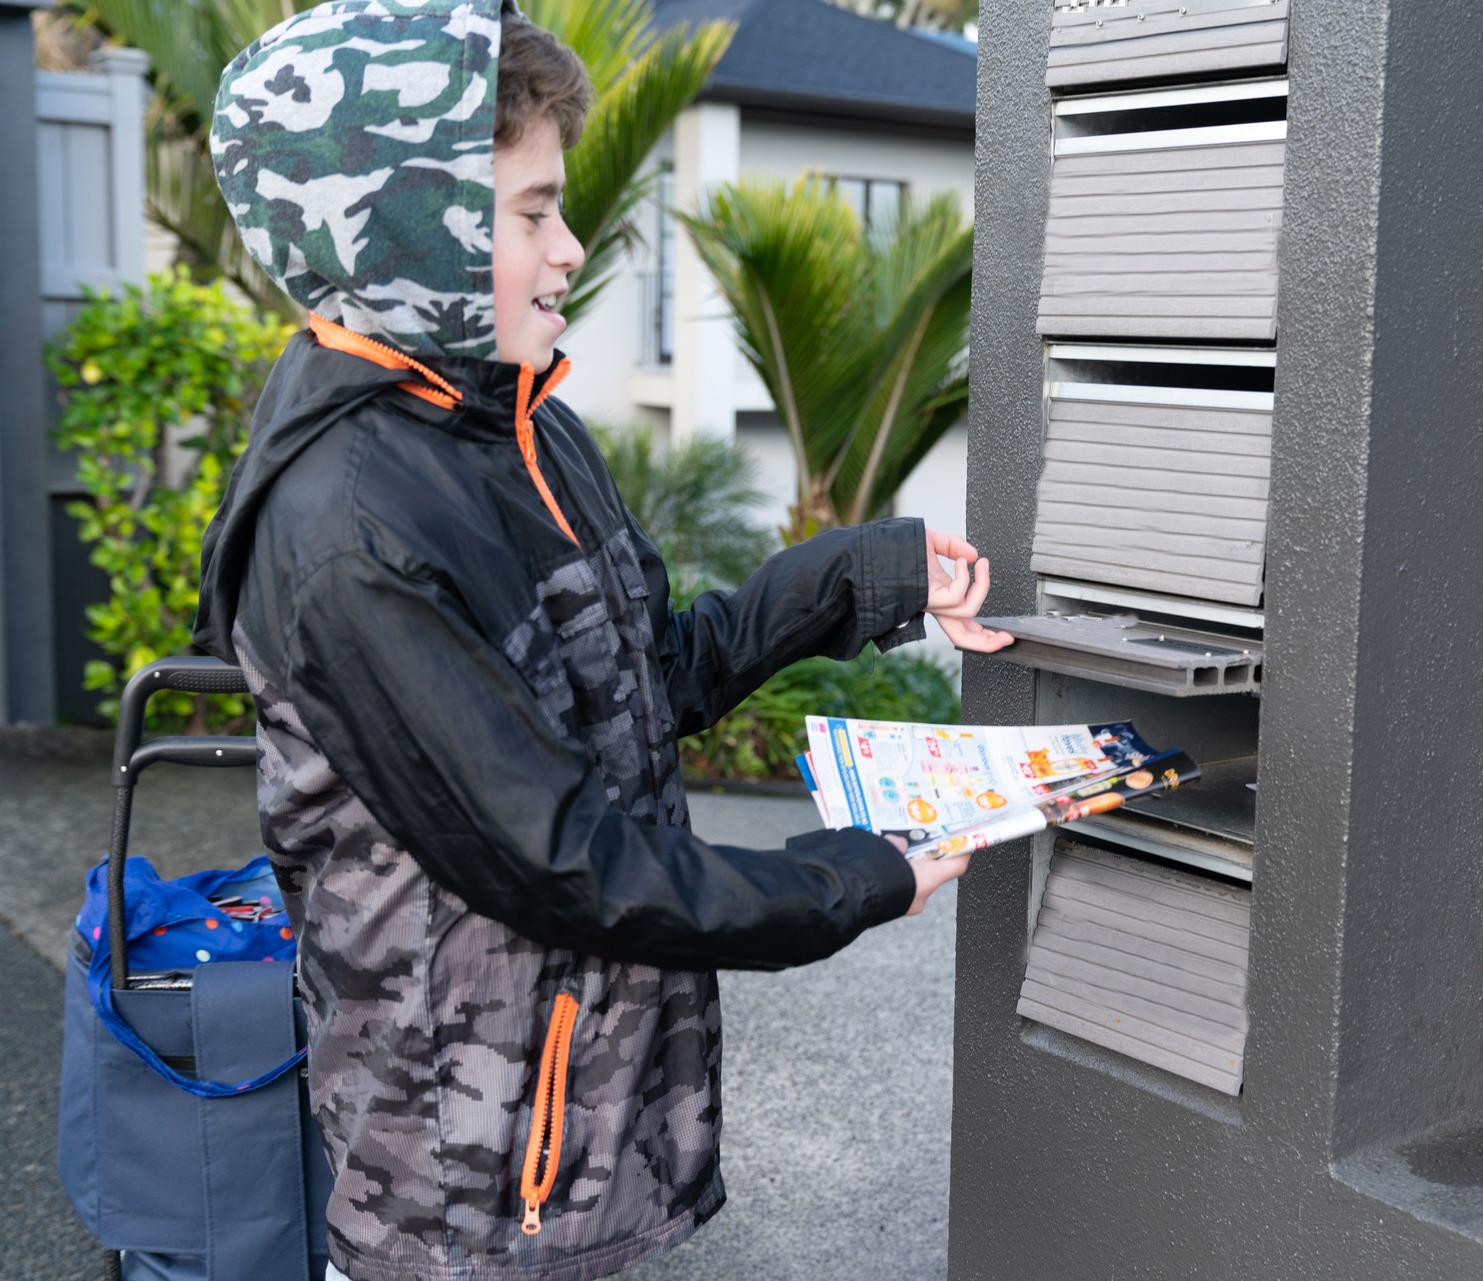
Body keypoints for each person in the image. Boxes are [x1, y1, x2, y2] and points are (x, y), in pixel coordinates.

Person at [193, 4, 1012, 1278]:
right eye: (529, 213)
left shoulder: (517, 423)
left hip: (571, 1108)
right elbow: (564, 857)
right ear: (413, 226)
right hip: (461, 1170)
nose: (570, 249)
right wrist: (848, 878)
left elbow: (652, 675)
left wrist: (866, 576)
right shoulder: (348, 530)